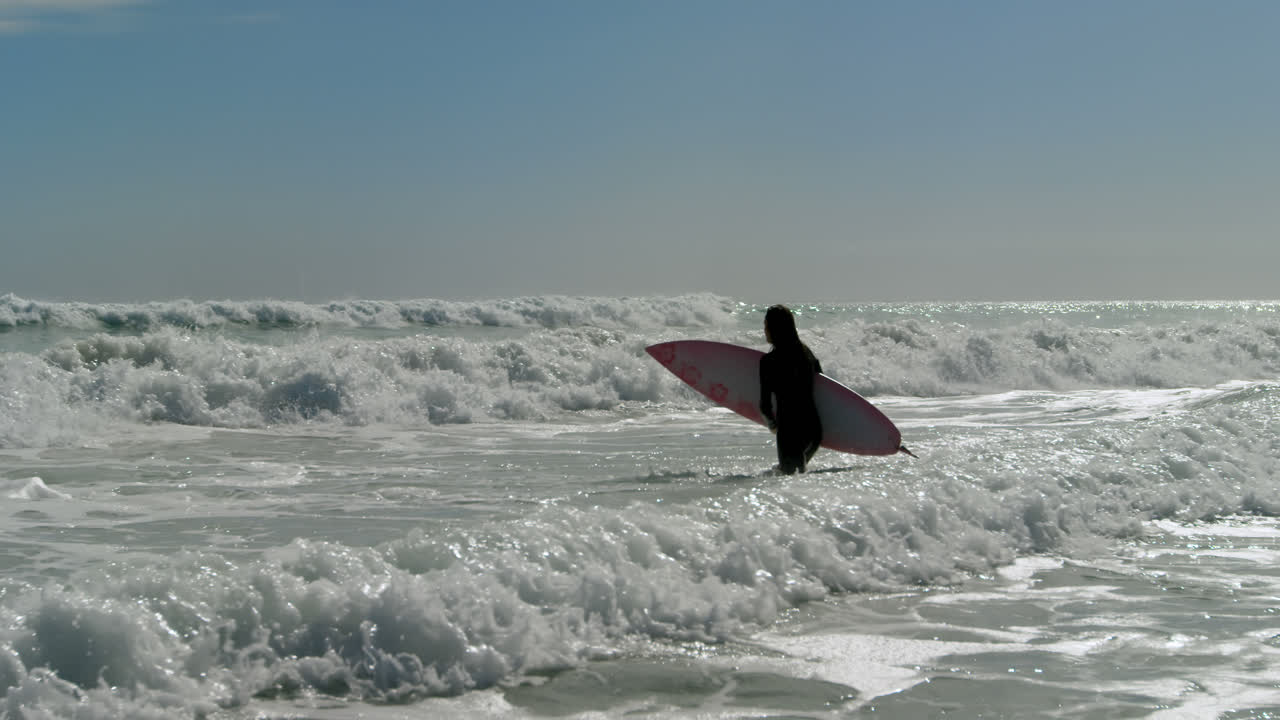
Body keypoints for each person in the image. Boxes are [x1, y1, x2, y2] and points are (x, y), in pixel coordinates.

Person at [759, 304, 824, 474]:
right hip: (814, 431)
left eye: (766, 325)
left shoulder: (769, 362)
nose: (764, 330)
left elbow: (765, 405)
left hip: (790, 430)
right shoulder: (806, 354)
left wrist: (773, 424)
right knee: (799, 477)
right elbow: (823, 387)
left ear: (773, 328)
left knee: (789, 478)